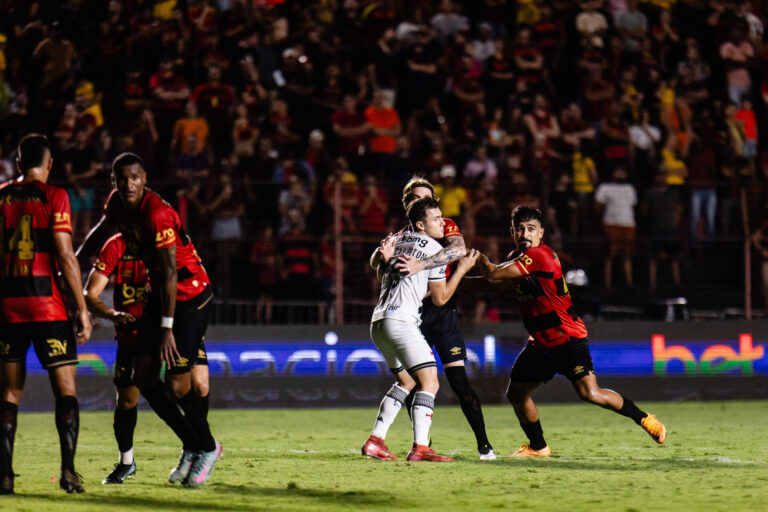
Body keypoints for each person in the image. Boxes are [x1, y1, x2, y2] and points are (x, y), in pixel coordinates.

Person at [476, 206, 667, 456]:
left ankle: (645, 419)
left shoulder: (540, 254)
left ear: (541, 232)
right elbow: (497, 277)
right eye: (520, 229)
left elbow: (491, 274)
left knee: (591, 393)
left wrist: (475, 257)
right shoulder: (517, 257)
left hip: (567, 338)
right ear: (512, 231)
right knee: (516, 394)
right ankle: (538, 447)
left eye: (531, 229)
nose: (525, 233)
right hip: (541, 344)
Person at [77, 153, 219, 488]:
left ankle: (208, 448)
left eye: (135, 177)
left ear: (145, 179)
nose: (128, 184)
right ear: (114, 181)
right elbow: (99, 234)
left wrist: (166, 328)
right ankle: (194, 444)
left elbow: (171, 273)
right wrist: (70, 260)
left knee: (179, 383)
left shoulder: (157, 214)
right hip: (161, 294)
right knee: (143, 376)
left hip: (191, 296)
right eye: (122, 178)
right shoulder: (117, 204)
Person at [371, 178, 495, 459]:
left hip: (436, 312)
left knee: (456, 381)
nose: (425, 204)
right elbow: (376, 262)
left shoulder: (441, 225)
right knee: (417, 382)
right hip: (413, 313)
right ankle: (421, 445)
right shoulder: (405, 235)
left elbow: (456, 250)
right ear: (409, 208)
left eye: (429, 199)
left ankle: (483, 444)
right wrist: (385, 258)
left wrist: (418, 265)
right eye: (417, 199)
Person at [0, 134, 92, 494]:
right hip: (47, 307)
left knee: (8, 393)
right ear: (49, 163)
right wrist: (82, 308)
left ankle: (4, 476)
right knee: (65, 389)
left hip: (8, 308)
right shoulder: (54, 196)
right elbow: (67, 256)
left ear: (19, 163)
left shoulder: (1, 196)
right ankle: (68, 473)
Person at [84, 231, 211, 484]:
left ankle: (195, 449)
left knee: (199, 384)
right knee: (127, 399)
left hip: (176, 325)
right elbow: (91, 292)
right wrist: (111, 314)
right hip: (134, 330)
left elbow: (188, 274)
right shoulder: (117, 244)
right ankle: (126, 462)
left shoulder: (165, 238)